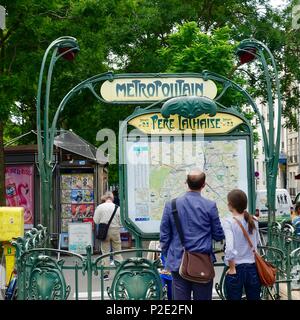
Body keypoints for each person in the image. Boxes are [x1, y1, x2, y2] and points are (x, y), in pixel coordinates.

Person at [160, 168, 225, 300]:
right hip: (202, 261)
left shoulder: (171, 205)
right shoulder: (210, 206)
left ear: (186, 182)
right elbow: (218, 234)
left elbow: (164, 235)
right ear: (204, 185)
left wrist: (168, 255)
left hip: (178, 260)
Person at [222, 189, 261, 300]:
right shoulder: (254, 220)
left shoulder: (229, 222)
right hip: (252, 268)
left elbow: (229, 248)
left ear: (230, 205)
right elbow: (256, 242)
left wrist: (232, 267)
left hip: (236, 268)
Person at [93, 191, 123, 280]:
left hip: (104, 231)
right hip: (115, 230)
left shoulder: (100, 207)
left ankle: (105, 274)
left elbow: (96, 221)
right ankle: (120, 272)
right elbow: (121, 222)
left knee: (105, 252)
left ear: (104, 198)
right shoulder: (118, 208)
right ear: (112, 198)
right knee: (117, 251)